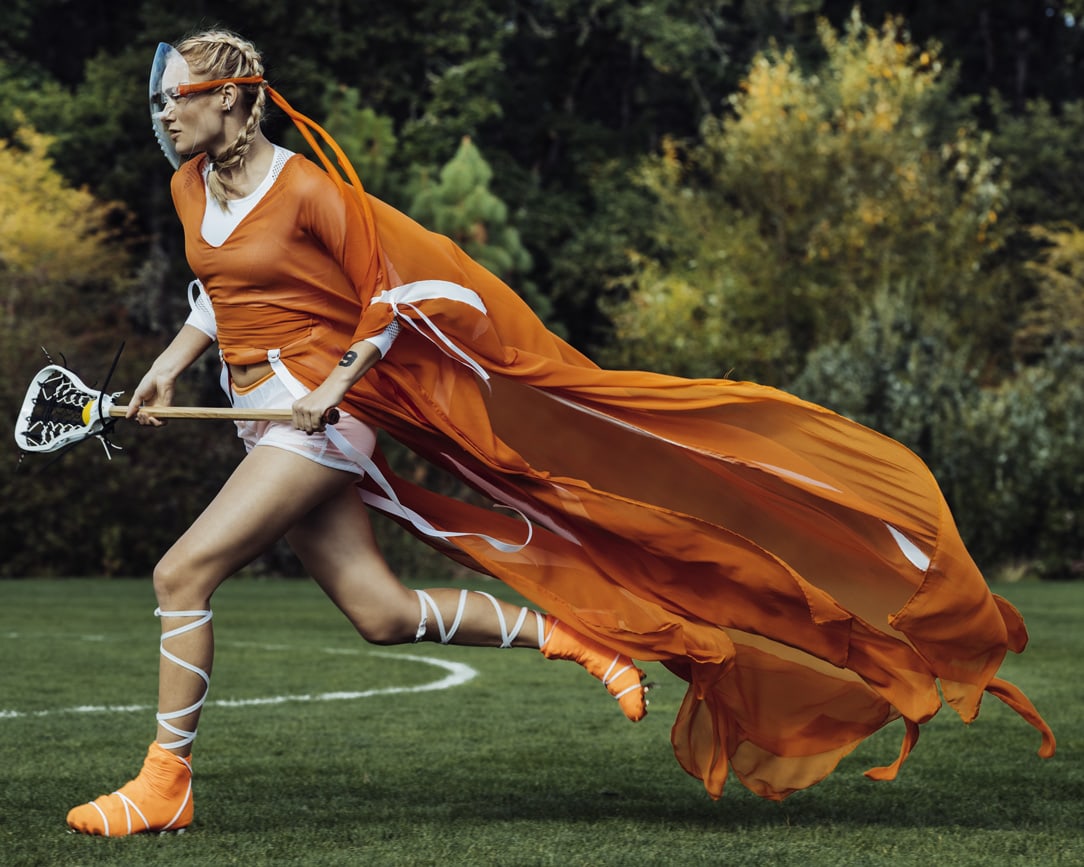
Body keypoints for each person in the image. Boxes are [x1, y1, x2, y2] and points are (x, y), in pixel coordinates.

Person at [67, 30, 1054, 837]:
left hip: (322, 415)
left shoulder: (313, 193)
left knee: (179, 574)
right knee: (376, 611)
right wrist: (165, 369)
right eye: (163, 101)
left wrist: (337, 386)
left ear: (238, 99)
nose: (165, 113)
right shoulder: (192, 189)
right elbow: (219, 289)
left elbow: (392, 300)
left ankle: (166, 784)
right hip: (256, 415)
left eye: (180, 97)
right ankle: (579, 637)